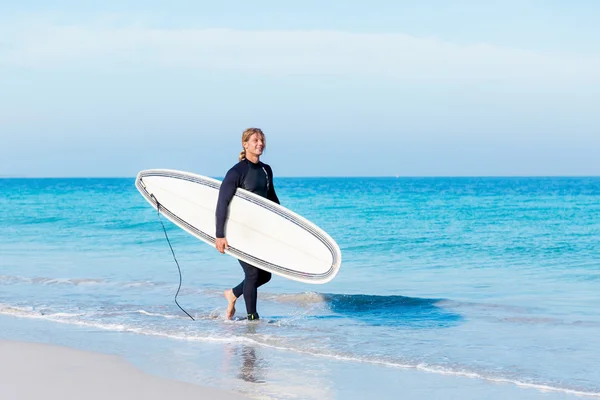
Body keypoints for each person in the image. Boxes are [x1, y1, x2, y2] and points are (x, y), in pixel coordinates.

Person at [215, 128, 280, 320]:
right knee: (252, 273)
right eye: (255, 140)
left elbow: (272, 199)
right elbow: (222, 203)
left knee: (265, 275)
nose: (260, 144)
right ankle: (253, 319)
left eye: (262, 140)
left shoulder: (266, 170)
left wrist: (284, 227)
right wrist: (219, 235)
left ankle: (233, 294)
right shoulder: (237, 172)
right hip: (239, 231)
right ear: (245, 144)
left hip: (259, 231)